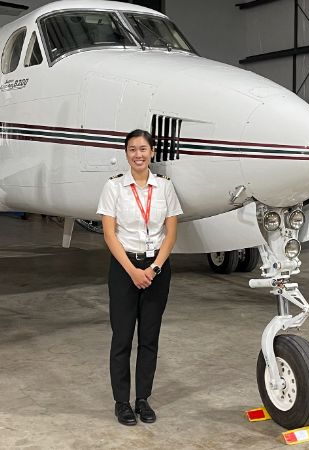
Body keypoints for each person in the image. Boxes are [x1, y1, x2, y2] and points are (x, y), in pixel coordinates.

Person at [96, 129, 182, 426]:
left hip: (157, 269)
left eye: (143, 149)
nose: (138, 154)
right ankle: (122, 402)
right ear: (126, 153)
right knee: (122, 338)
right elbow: (109, 233)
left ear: (153, 152)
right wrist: (132, 271)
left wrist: (154, 268)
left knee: (149, 338)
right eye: (132, 149)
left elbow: (171, 233)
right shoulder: (114, 188)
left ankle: (143, 398)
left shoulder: (165, 188)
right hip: (124, 268)